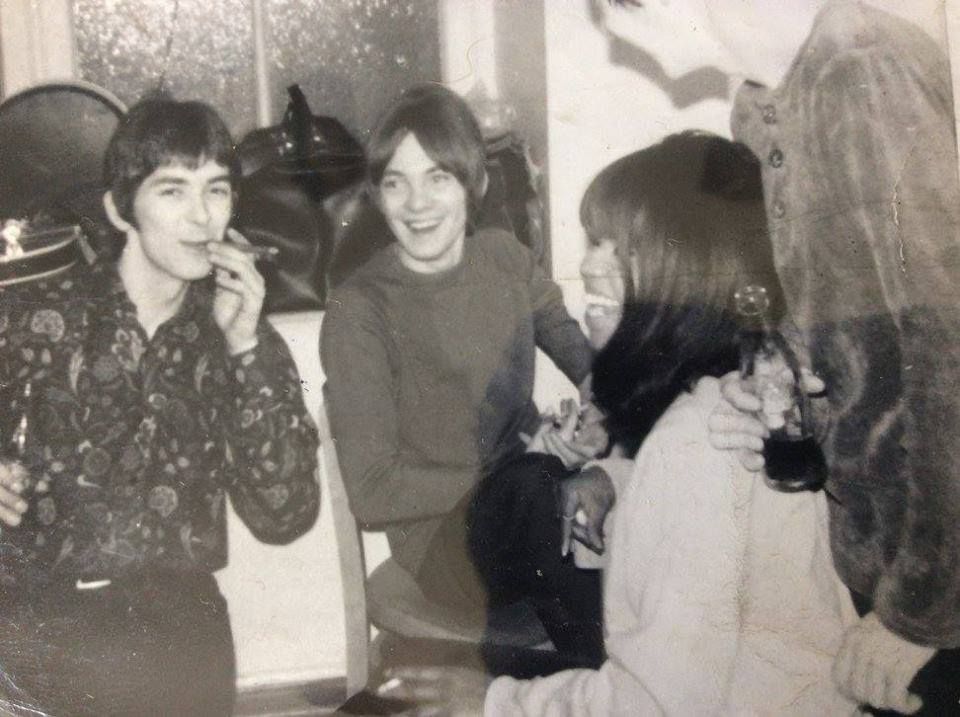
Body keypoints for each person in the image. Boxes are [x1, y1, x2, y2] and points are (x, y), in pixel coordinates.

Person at [385, 132, 858, 715]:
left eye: (615, 248)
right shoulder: (729, 399)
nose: (587, 265)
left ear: (683, 272)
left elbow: (654, 705)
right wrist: (615, 478)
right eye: (593, 243)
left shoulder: (698, 439)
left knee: (406, 691)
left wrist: (495, 703)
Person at [598, 2, 960, 714]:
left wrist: (922, 613)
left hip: (932, 584)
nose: (621, 37)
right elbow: (857, 322)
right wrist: (780, 386)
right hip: (880, 565)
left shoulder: (863, 74)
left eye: (620, 13)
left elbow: (948, 350)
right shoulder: (765, 110)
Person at [0, 97, 320, 716]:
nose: (202, 217)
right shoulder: (40, 317)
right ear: (120, 209)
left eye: (217, 190)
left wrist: (245, 349)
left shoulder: (240, 330)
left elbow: (285, 514)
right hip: (44, 632)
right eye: (173, 191)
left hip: (180, 637)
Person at [321, 83, 612, 664]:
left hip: (532, 505)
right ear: (377, 195)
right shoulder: (360, 310)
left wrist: (595, 419)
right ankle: (599, 678)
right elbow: (373, 492)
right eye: (395, 183)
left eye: (437, 178)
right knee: (542, 493)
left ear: (473, 184)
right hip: (442, 546)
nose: (416, 203)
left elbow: (582, 358)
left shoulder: (506, 259)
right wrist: (522, 468)